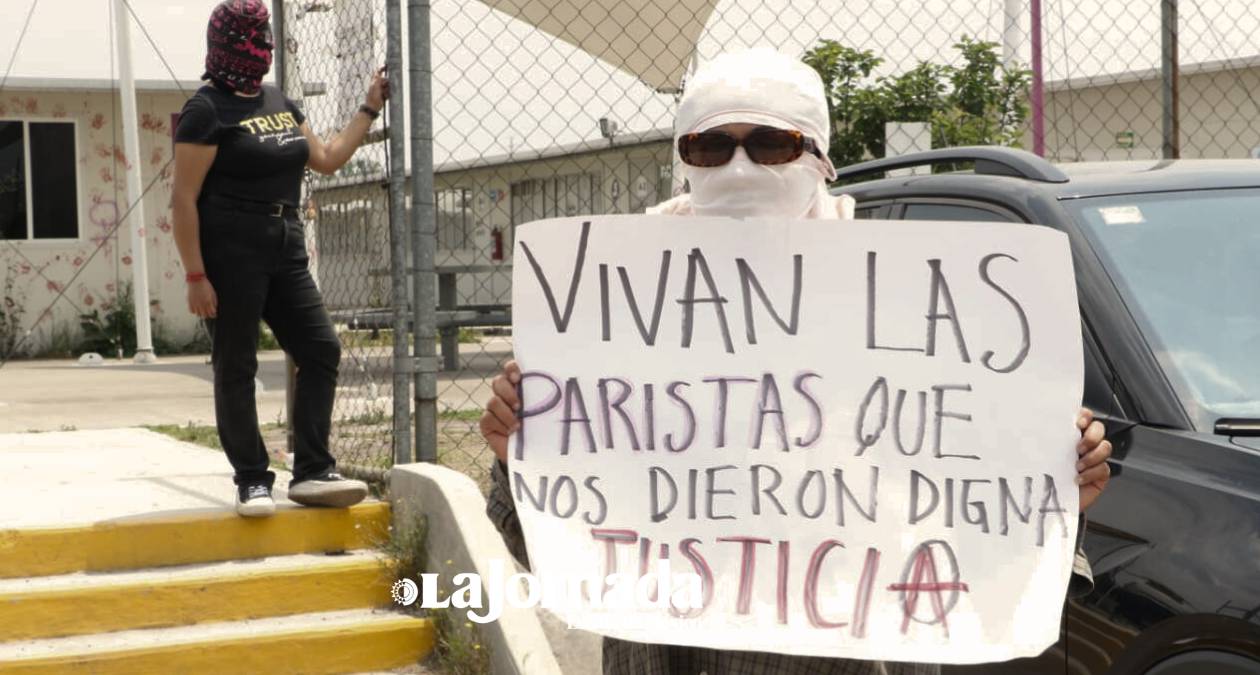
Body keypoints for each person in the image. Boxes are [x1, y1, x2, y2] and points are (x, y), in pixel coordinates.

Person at [478, 49, 1113, 675]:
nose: (739, 167)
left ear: (819, 157)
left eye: (771, 143)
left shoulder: (902, 313)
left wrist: (1051, 498)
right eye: (709, 146)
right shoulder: (609, 315)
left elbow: (972, 553)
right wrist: (520, 462)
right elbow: (554, 555)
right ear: (682, 159)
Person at [171, 0, 390, 517]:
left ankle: (312, 471)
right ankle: (252, 479)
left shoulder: (280, 101)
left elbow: (329, 158)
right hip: (230, 249)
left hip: (286, 241)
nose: (261, 45)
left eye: (264, 34)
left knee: (320, 350)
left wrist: (369, 108)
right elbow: (183, 199)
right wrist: (195, 274)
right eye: (250, 36)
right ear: (224, 43)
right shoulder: (207, 110)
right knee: (236, 365)